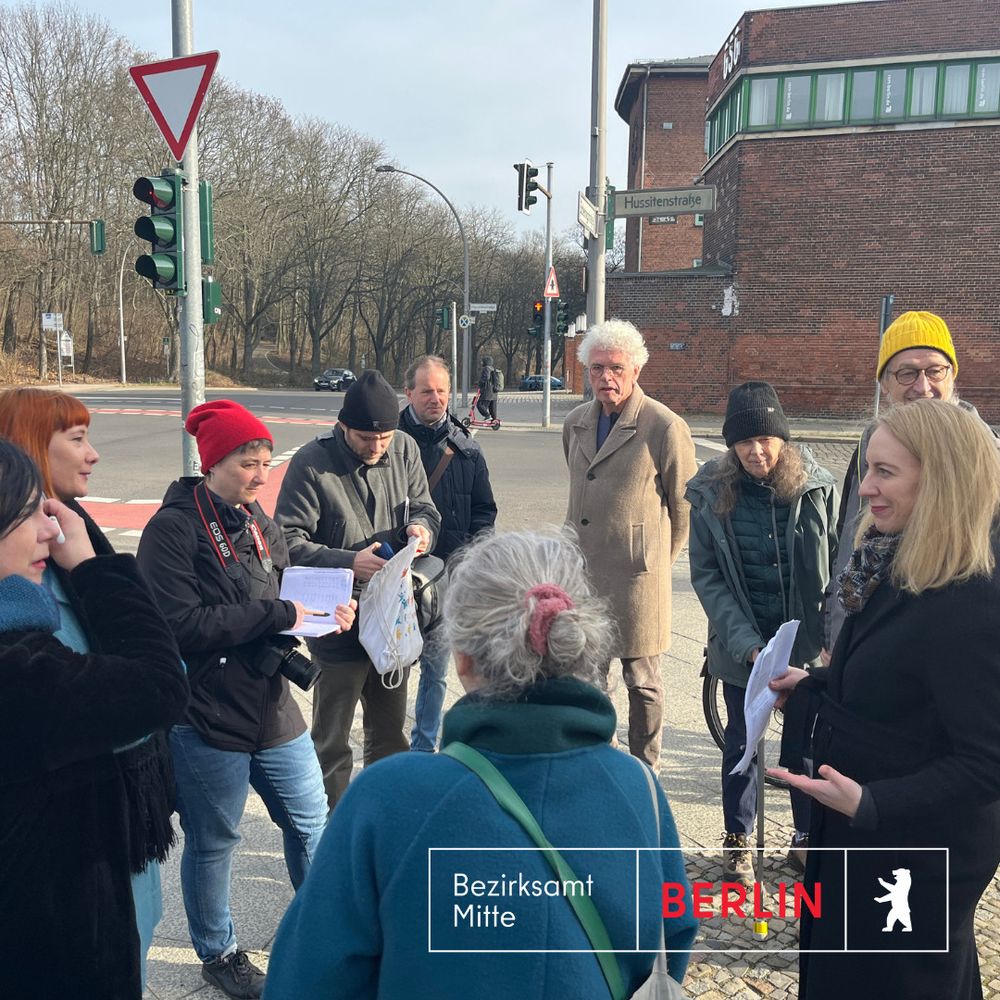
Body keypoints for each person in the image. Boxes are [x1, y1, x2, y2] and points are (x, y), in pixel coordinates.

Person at [263, 529, 698, 999]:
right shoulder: (640, 790)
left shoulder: (388, 798)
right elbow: (669, 943)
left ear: (463, 658)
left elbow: (306, 980)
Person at [769, 399, 1000, 1000]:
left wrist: (873, 803)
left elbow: (987, 762)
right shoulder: (898, 560)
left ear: (942, 480)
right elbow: (895, 683)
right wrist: (816, 689)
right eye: (867, 468)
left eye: (885, 473)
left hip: (910, 859)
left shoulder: (971, 598)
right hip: (861, 841)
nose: (865, 487)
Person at [137, 400, 354, 1000]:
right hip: (205, 713)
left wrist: (319, 613)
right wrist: (280, 612)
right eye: (249, 463)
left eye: (265, 462)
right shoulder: (173, 529)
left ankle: (328, 933)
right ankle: (220, 953)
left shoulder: (259, 519)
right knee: (216, 841)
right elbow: (179, 624)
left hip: (271, 704)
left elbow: (284, 589)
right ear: (213, 463)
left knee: (311, 823)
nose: (262, 476)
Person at [0, 387, 178, 987]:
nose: (94, 454)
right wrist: (97, 572)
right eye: (75, 438)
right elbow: (154, 683)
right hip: (66, 881)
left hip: (109, 830)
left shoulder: (72, 546)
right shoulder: (34, 601)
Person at [685, 382, 838, 882]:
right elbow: (707, 576)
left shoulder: (816, 487)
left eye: (767, 440)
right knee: (742, 743)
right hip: (742, 644)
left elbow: (838, 563)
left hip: (806, 643)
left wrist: (833, 635)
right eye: (745, 441)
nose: (757, 451)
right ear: (731, 445)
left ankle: (806, 835)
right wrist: (747, 646)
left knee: (806, 745)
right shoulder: (711, 493)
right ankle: (738, 838)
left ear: (783, 439)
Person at [275, 370, 440, 807]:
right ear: (343, 426)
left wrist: (421, 529)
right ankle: (333, 834)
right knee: (331, 743)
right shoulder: (311, 463)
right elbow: (287, 542)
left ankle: (384, 826)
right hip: (338, 625)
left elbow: (424, 506)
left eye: (384, 437)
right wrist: (350, 561)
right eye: (367, 438)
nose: (377, 446)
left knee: (389, 738)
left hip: (393, 622)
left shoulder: (404, 447)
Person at [563, 318, 697, 766]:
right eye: (597, 368)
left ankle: (646, 766)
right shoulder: (577, 422)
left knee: (643, 680)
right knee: (590, 678)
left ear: (636, 370)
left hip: (639, 578)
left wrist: (659, 559)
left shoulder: (662, 425)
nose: (607, 378)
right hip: (585, 573)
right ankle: (602, 760)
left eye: (616, 368)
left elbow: (684, 505)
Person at [826, 309, 998, 651]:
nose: (923, 387)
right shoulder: (872, 445)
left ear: (952, 376)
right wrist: (835, 637)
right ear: (885, 384)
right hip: (876, 634)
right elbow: (850, 542)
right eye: (907, 373)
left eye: (935, 370)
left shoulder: (987, 454)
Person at [399, 354, 497, 751]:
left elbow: (485, 512)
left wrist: (471, 563)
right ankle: (389, 743)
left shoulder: (466, 450)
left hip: (447, 581)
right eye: (427, 391)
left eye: (441, 390)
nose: (436, 398)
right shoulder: (387, 444)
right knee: (395, 667)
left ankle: (423, 746)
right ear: (409, 393)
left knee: (436, 670)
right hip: (398, 576)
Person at [477, 354, 500, 420]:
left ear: (486, 362)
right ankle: (494, 420)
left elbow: (486, 377)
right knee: (492, 408)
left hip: (487, 392)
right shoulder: (493, 369)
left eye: (482, 361)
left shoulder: (486, 368)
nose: (481, 363)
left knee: (480, 404)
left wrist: (480, 383)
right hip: (494, 392)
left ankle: (487, 415)